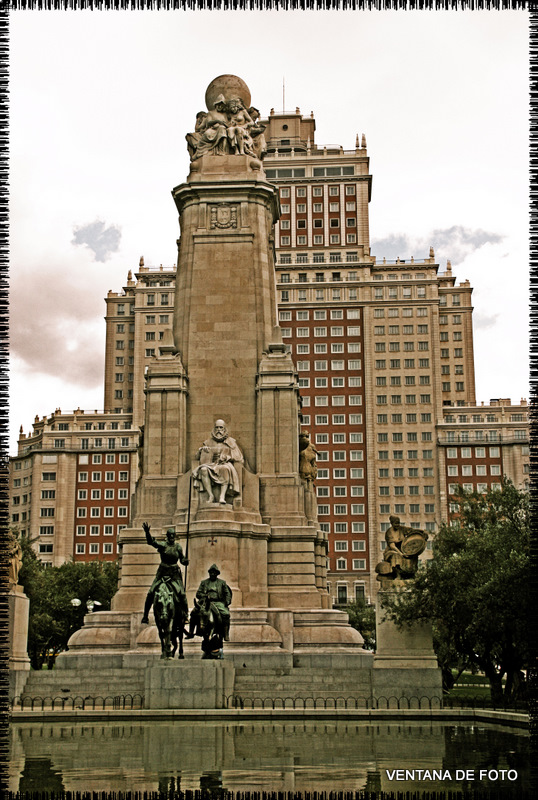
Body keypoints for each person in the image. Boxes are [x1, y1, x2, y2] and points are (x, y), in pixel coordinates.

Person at [141, 523, 189, 624]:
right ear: (167, 536)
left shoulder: (178, 547)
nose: (172, 537)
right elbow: (151, 542)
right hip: (162, 573)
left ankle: (185, 615)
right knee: (151, 592)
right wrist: (147, 532)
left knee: (182, 594)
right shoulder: (163, 545)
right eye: (170, 535)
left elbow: (181, 559)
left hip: (174, 574)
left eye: (173, 535)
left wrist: (185, 561)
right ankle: (145, 616)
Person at [192, 419, 243, 504]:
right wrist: (201, 450)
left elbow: (239, 458)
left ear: (224, 429)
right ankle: (211, 495)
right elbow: (197, 458)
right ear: (214, 429)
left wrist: (227, 457)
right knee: (203, 469)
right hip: (211, 464)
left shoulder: (231, 442)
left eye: (221, 427)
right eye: (217, 428)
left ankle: (222, 496)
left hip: (223, 464)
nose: (218, 430)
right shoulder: (208, 442)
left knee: (225, 469)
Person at [186, 564, 232, 641]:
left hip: (218, 602)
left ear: (217, 574)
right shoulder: (204, 582)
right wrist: (205, 595)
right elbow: (198, 594)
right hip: (205, 602)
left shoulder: (222, 583)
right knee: (194, 613)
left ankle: (226, 634)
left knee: (226, 614)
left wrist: (227, 601)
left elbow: (227, 593)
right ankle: (191, 632)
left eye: (214, 573)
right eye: (211, 572)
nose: (212, 574)